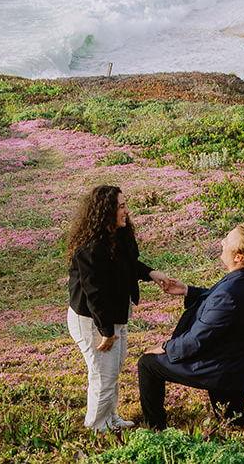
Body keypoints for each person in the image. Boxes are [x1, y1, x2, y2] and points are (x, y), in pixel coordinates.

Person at [138, 223, 244, 429]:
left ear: (239, 257)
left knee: (148, 364)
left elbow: (196, 340)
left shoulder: (229, 293)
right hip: (239, 366)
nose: (222, 242)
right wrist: (188, 290)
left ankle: (156, 430)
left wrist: (165, 347)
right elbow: (222, 305)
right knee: (232, 420)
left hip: (220, 368)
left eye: (227, 240)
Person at [67, 184, 176, 432]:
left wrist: (151, 273)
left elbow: (130, 264)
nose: (126, 211)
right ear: (106, 212)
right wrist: (106, 331)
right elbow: (94, 294)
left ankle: (110, 416)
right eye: (121, 206)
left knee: (112, 370)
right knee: (103, 374)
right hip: (93, 320)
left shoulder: (120, 235)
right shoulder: (90, 248)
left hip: (115, 314)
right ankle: (97, 426)